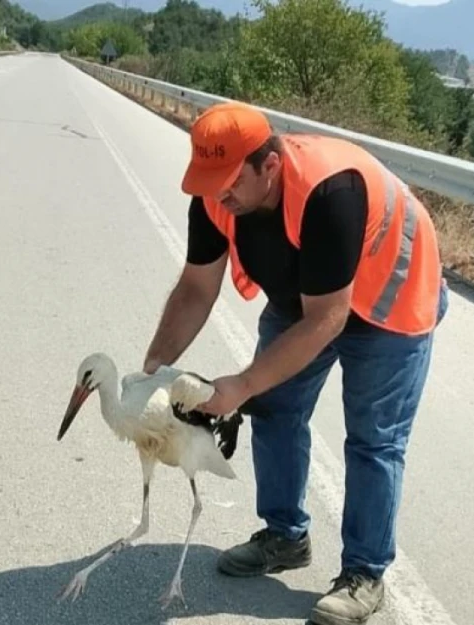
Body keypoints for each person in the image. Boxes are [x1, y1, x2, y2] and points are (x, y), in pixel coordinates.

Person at [141, 101, 449, 625]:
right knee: (276, 411)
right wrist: (150, 372)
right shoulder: (217, 197)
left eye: (231, 181)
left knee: (373, 440)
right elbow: (195, 289)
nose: (220, 194)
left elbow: (328, 318)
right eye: (210, 182)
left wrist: (239, 385)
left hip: (389, 302)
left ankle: (364, 574)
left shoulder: (331, 193)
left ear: (271, 165)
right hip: (307, 296)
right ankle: (285, 536)